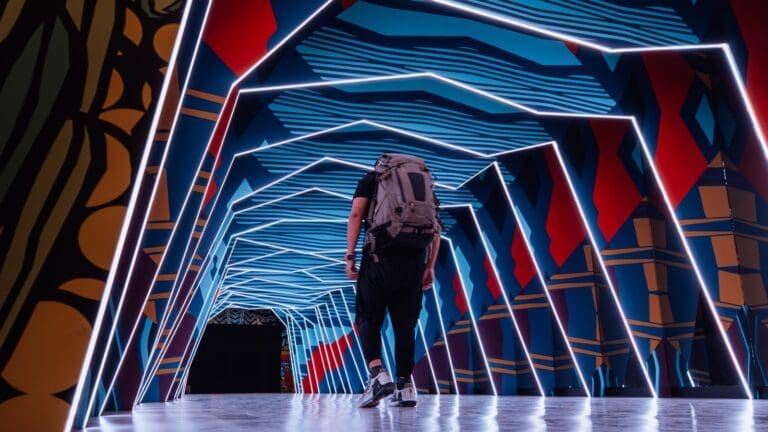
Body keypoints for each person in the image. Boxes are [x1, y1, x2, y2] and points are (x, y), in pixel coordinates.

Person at [345, 155, 441, 408]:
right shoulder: (424, 185)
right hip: (414, 264)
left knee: (368, 317)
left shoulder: (372, 179)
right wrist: (429, 267)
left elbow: (356, 214)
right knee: (405, 325)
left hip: (379, 258)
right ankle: (406, 385)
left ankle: (377, 374)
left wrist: (349, 256)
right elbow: (436, 229)